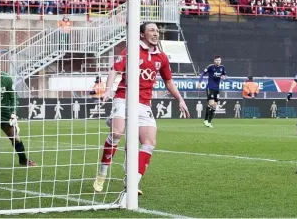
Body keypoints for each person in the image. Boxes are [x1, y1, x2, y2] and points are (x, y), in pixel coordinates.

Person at [93, 22, 190, 194]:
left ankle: (131, 182)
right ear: (142, 34)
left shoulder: (162, 57)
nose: (156, 33)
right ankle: (102, 173)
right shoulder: (131, 50)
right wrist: (108, 89)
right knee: (117, 133)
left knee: (149, 143)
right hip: (124, 97)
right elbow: (114, 70)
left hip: (144, 103)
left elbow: (168, 82)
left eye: (157, 31)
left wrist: (180, 99)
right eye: (151, 30)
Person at [198, 56, 227, 128]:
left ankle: (209, 121)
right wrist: (199, 82)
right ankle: (205, 120)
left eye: (219, 60)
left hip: (217, 89)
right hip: (210, 87)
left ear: (221, 61)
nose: (218, 61)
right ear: (214, 61)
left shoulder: (222, 67)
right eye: (216, 60)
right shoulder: (210, 67)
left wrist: (224, 77)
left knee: (215, 106)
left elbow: (224, 75)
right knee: (211, 103)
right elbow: (202, 73)